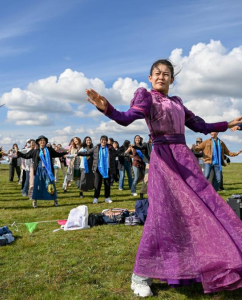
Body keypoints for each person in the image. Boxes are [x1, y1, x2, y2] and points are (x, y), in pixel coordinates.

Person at [85, 59, 242, 297]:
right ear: (150, 78)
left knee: (203, 209)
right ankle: (140, 276)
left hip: (185, 161)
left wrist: (227, 122)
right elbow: (127, 117)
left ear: (172, 79)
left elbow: (201, 125)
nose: (161, 77)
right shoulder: (146, 97)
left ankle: (198, 265)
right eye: (157, 73)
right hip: (163, 160)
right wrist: (106, 107)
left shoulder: (177, 102)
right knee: (161, 216)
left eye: (166, 74)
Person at [16, 135, 68, 208]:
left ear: (46, 142)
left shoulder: (49, 150)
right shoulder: (35, 151)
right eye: (41, 141)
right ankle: (35, 201)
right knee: (37, 185)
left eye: (44, 141)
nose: (42, 142)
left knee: (50, 184)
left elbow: (57, 154)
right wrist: (18, 153)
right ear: (38, 142)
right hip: (38, 170)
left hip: (48, 170)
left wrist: (64, 154)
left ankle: (54, 200)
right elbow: (26, 156)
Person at [77, 135, 117, 204]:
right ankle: (96, 198)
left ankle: (107, 197)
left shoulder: (110, 148)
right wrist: (78, 153)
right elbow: (87, 152)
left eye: (105, 140)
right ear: (100, 141)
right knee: (97, 184)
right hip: (98, 169)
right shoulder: (96, 148)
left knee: (107, 184)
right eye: (102, 140)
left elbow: (118, 153)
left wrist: (127, 154)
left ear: (106, 141)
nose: (103, 141)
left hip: (107, 169)